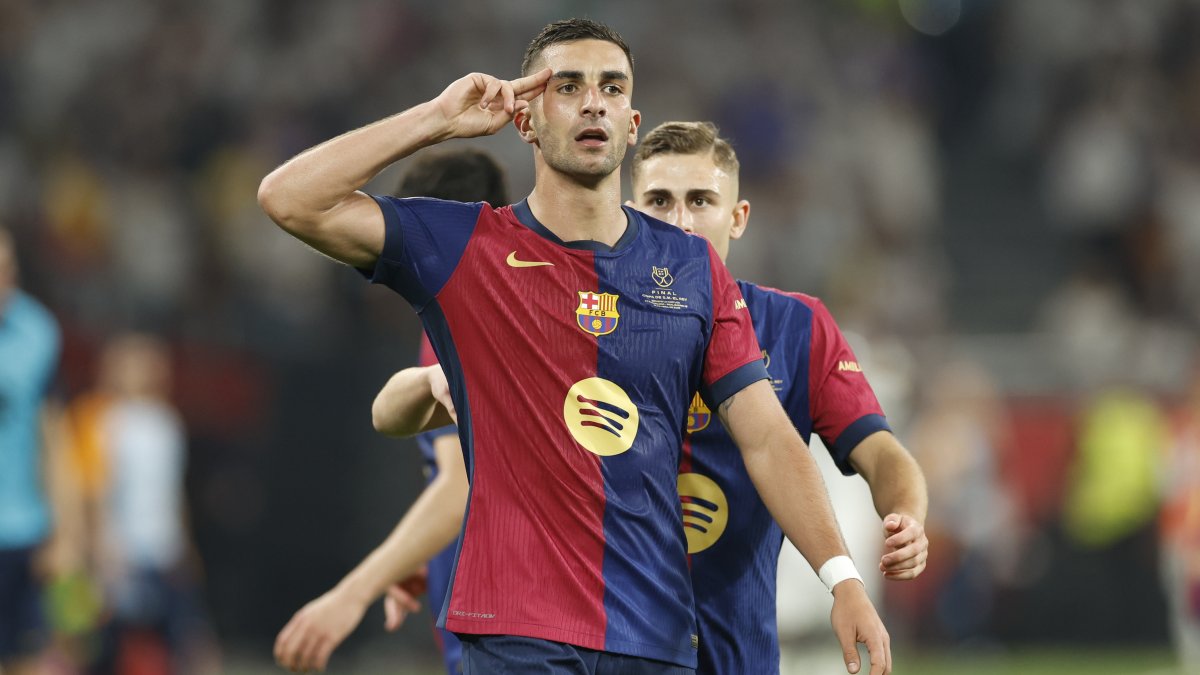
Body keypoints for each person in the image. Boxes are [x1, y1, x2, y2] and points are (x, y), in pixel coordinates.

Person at [259, 18, 890, 675]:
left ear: (632, 123)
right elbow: (290, 199)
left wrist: (842, 577)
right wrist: (436, 119)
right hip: (514, 633)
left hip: (654, 636)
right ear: (525, 120)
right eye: (567, 86)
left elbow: (767, 437)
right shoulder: (466, 247)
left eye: (611, 87)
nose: (593, 102)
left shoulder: (694, 269)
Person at [626, 121, 928, 674]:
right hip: (612, 649)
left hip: (740, 655)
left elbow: (883, 453)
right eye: (659, 201)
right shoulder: (589, 320)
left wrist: (906, 516)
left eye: (701, 201)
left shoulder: (795, 328)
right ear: (629, 214)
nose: (680, 221)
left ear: (738, 218)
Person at [273, 149, 509, 675]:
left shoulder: (458, 321)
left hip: (499, 620)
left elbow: (459, 489)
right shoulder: (503, 312)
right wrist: (420, 553)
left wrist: (352, 594)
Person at [0, 226, 70, 675]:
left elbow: (53, 437)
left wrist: (65, 533)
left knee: (28, 658)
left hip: (23, 529)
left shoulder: (38, 331)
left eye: (8, 270)